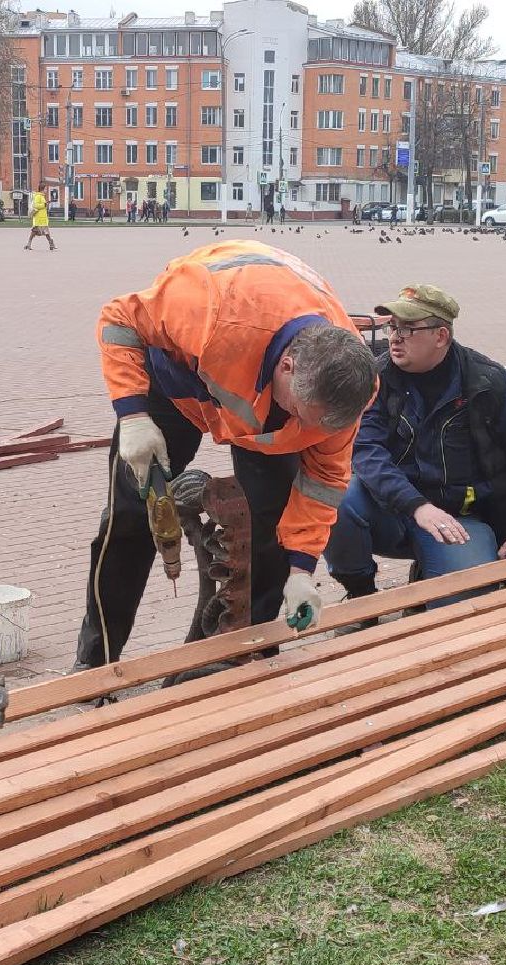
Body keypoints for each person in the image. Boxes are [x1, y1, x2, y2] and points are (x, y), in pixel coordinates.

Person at [76, 240, 378, 667]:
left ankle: (248, 655)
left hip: (259, 410)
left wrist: (302, 570)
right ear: (288, 367)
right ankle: (96, 660)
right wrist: (132, 414)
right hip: (180, 385)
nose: (312, 433)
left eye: (322, 426)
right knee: (130, 517)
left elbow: (323, 484)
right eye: (305, 417)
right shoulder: (209, 308)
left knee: (269, 532)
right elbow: (119, 318)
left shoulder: (344, 397)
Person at [324, 285, 506, 608]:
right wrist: (416, 505)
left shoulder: (489, 384)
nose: (395, 337)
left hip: (459, 521)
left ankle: (432, 584)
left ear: (441, 336)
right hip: (394, 508)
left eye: (408, 329)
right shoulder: (376, 378)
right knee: (336, 499)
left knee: (463, 610)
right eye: (393, 327)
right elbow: (366, 451)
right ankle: (361, 597)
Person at [24, 181, 55, 251]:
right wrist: (44, 205)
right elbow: (36, 205)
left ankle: (51, 244)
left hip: (43, 218)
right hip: (38, 218)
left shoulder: (42, 196)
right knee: (34, 232)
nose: (46, 191)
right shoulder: (38, 196)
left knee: (46, 232)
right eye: (45, 189)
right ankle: (29, 244)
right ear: (42, 189)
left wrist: (46, 204)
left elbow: (42, 206)